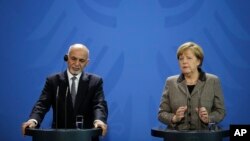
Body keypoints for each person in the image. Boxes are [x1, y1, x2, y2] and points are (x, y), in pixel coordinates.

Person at [22, 43, 108, 139]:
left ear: (87, 63)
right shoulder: (53, 81)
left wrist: (99, 121)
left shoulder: (95, 82)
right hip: (59, 137)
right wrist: (33, 120)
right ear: (67, 58)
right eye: (73, 59)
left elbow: (99, 105)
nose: (76, 64)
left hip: (86, 137)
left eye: (81, 60)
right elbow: (42, 104)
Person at [158, 42, 226, 130]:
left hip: (205, 137)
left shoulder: (213, 81)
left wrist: (209, 118)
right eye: (181, 58)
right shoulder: (170, 82)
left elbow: (220, 111)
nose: (184, 62)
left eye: (189, 58)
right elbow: (161, 113)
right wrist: (174, 118)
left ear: (198, 61)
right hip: (177, 136)